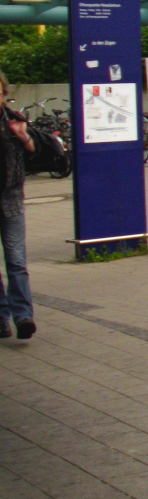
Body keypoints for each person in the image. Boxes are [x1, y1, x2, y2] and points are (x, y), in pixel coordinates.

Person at [0, 70, 37, 340]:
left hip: (11, 201)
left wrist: (22, 136)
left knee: (16, 261)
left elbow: (34, 150)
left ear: (4, 94)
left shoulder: (13, 120)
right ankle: (2, 319)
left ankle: (23, 316)